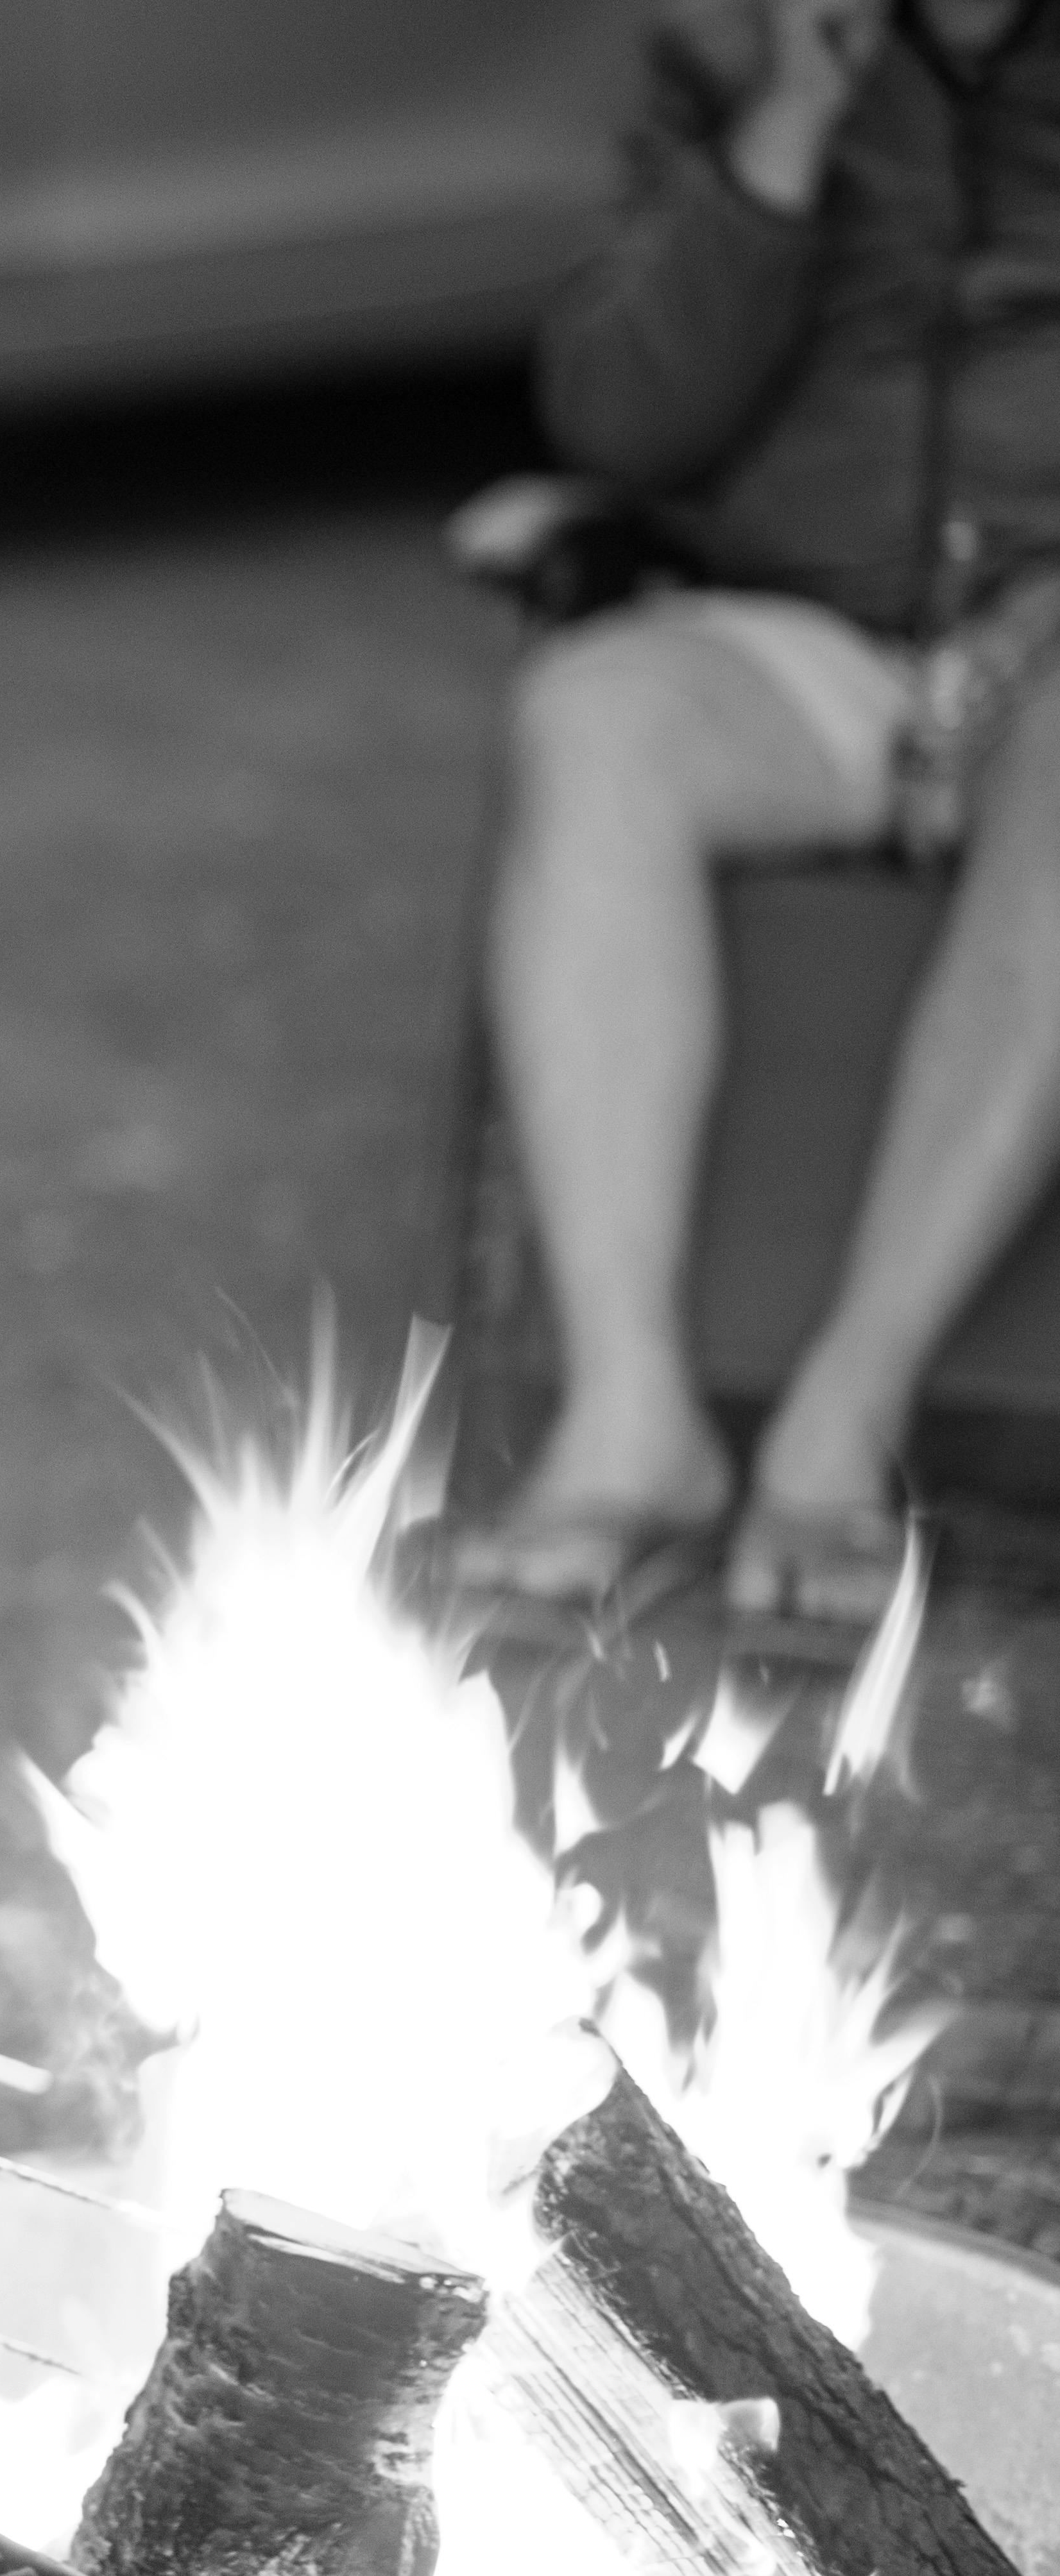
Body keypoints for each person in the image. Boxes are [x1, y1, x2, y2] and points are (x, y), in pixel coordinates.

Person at [457, 0, 1060, 1620]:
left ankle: (842, 1418)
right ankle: (628, 1415)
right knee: (591, 713)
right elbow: (616, 416)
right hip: (816, 630)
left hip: (1045, 646)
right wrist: (777, 137)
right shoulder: (740, 39)